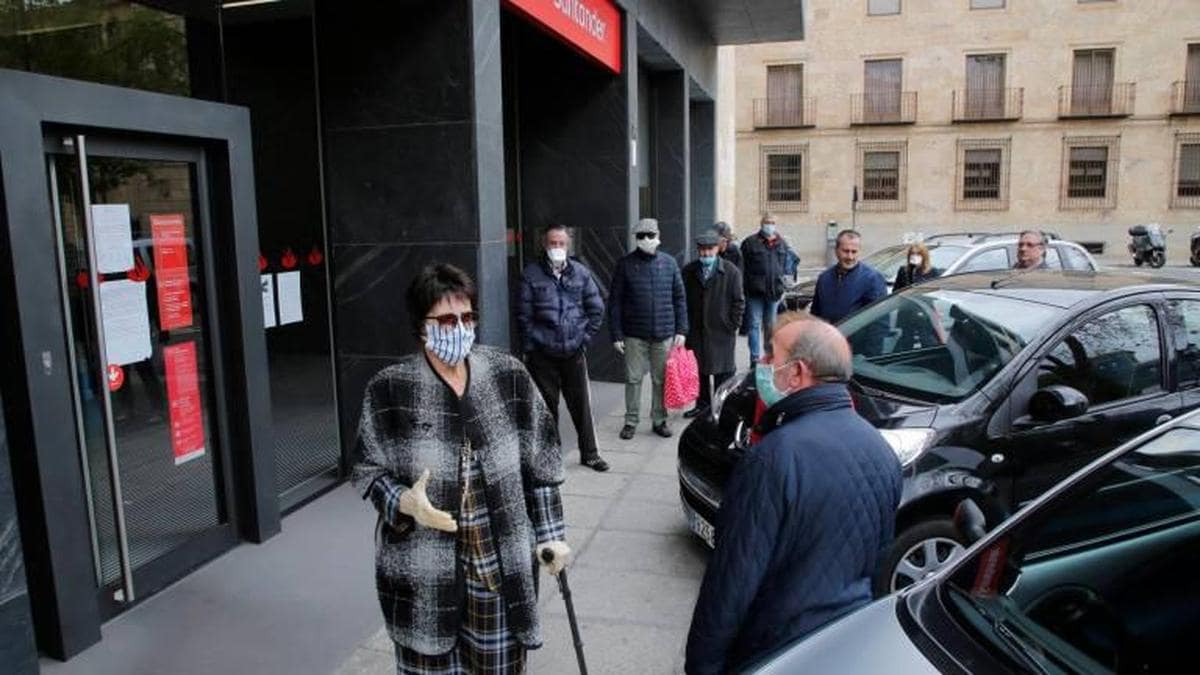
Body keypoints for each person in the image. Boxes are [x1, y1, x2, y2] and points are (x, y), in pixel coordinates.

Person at [352, 263, 569, 674]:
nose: (460, 328)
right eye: (447, 319)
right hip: (424, 576)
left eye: (468, 317)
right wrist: (405, 503)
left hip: (497, 570)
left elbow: (541, 465)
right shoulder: (390, 388)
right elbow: (367, 469)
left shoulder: (508, 376)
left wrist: (553, 536)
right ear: (421, 326)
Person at [684, 313, 903, 674]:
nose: (762, 364)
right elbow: (876, 562)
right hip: (839, 645)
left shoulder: (773, 458)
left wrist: (702, 667)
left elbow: (730, 584)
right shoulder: (881, 450)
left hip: (773, 651)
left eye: (771, 356)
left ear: (798, 372)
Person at [518, 224, 609, 472]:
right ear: (545, 246)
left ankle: (590, 454)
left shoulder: (580, 273)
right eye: (553, 244)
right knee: (546, 408)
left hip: (573, 352)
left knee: (582, 406)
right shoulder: (531, 274)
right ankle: (551, 457)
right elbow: (524, 316)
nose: (557, 248)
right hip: (543, 354)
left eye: (561, 244)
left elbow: (596, 308)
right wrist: (532, 346)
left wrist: (584, 338)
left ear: (568, 246)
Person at [609, 217, 688, 440]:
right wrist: (616, 333)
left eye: (650, 235)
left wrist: (681, 330)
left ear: (658, 236)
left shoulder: (670, 263)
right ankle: (631, 420)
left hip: (663, 333)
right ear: (636, 239)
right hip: (634, 333)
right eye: (641, 236)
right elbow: (615, 301)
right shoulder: (625, 264)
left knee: (660, 379)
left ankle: (659, 419)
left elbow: (680, 298)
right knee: (633, 379)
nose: (646, 239)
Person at [681, 232, 746, 418]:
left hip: (722, 331)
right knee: (699, 371)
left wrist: (733, 324)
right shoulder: (689, 271)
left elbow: (739, 302)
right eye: (702, 250)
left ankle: (720, 408)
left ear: (717, 249)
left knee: (722, 374)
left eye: (710, 249)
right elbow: (681, 299)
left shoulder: (731, 271)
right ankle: (702, 406)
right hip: (696, 331)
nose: (706, 254)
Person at [739, 212, 794, 366]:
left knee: (771, 325)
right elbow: (742, 267)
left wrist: (785, 283)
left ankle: (770, 356)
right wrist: (744, 287)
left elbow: (787, 265)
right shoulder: (750, 243)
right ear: (761, 223)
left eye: (772, 222)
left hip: (774, 292)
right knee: (754, 324)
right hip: (754, 292)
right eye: (766, 222)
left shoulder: (782, 243)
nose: (769, 225)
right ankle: (755, 358)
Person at [809, 229, 886, 324]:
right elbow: (815, 314)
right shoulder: (824, 278)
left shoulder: (872, 279)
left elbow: (879, 321)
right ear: (836, 250)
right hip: (828, 337)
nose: (850, 257)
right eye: (846, 251)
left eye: (854, 252)